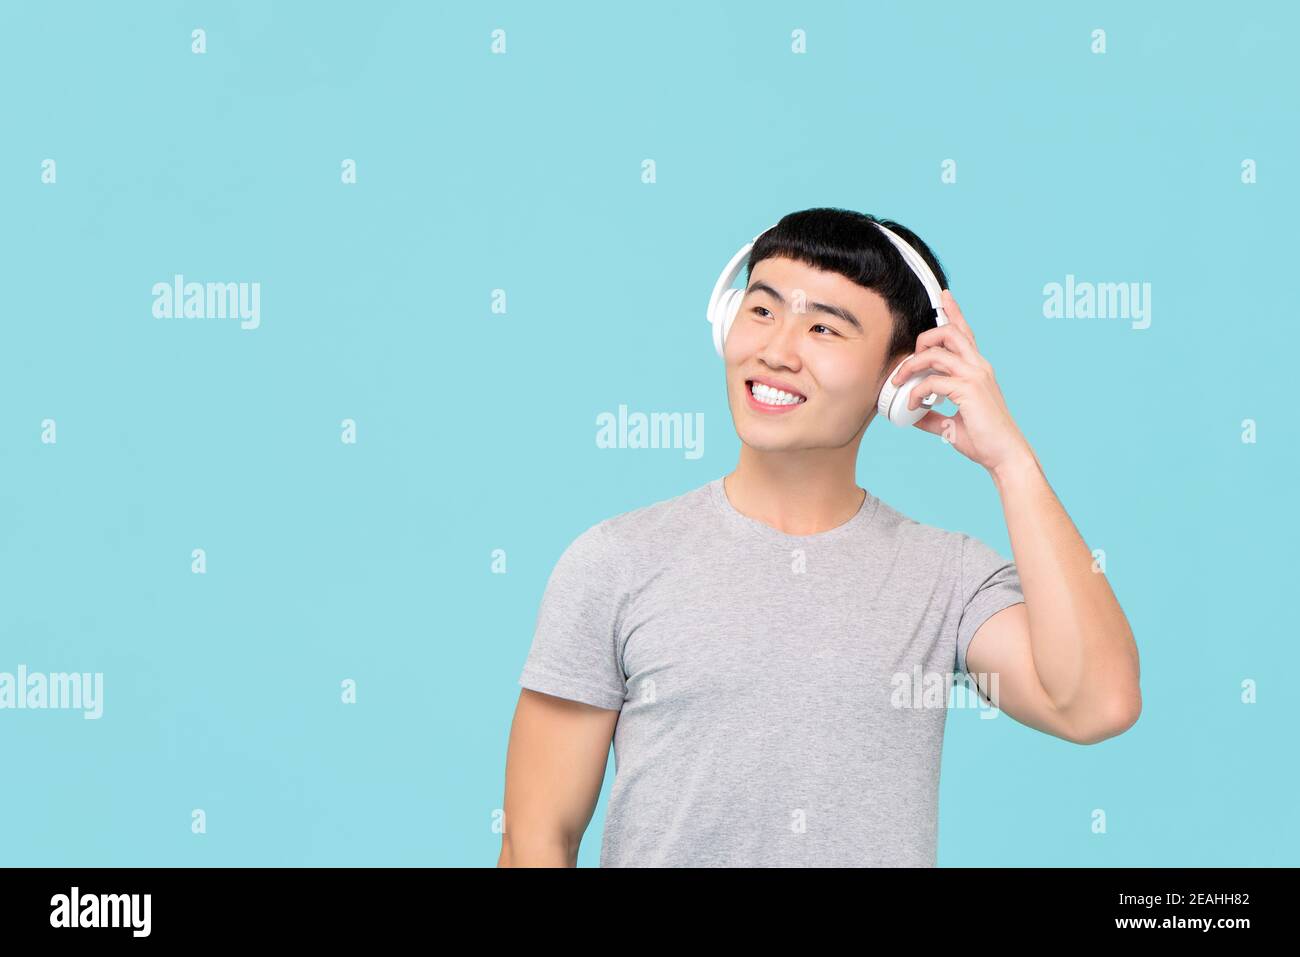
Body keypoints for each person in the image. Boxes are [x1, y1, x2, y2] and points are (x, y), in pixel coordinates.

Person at [498, 207, 1141, 868]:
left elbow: (1095, 702)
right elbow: (534, 841)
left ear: (903, 377)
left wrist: (1013, 463)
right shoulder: (614, 562)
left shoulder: (946, 578)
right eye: (763, 310)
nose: (777, 350)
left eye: (825, 327)